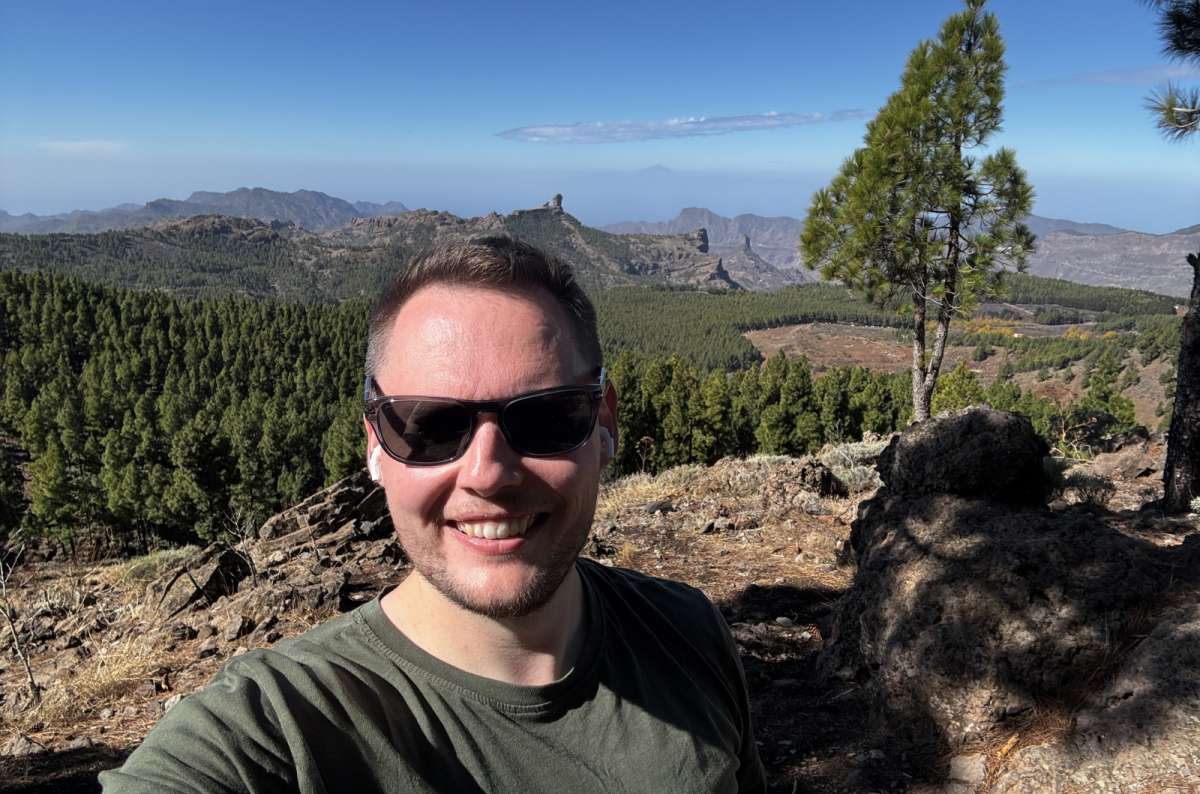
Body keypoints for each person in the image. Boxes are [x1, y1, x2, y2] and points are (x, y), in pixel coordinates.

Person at [100, 235, 766, 793]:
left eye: (546, 417)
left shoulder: (688, 633)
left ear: (604, 426)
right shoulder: (280, 728)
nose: (488, 472)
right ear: (375, 445)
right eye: (430, 426)